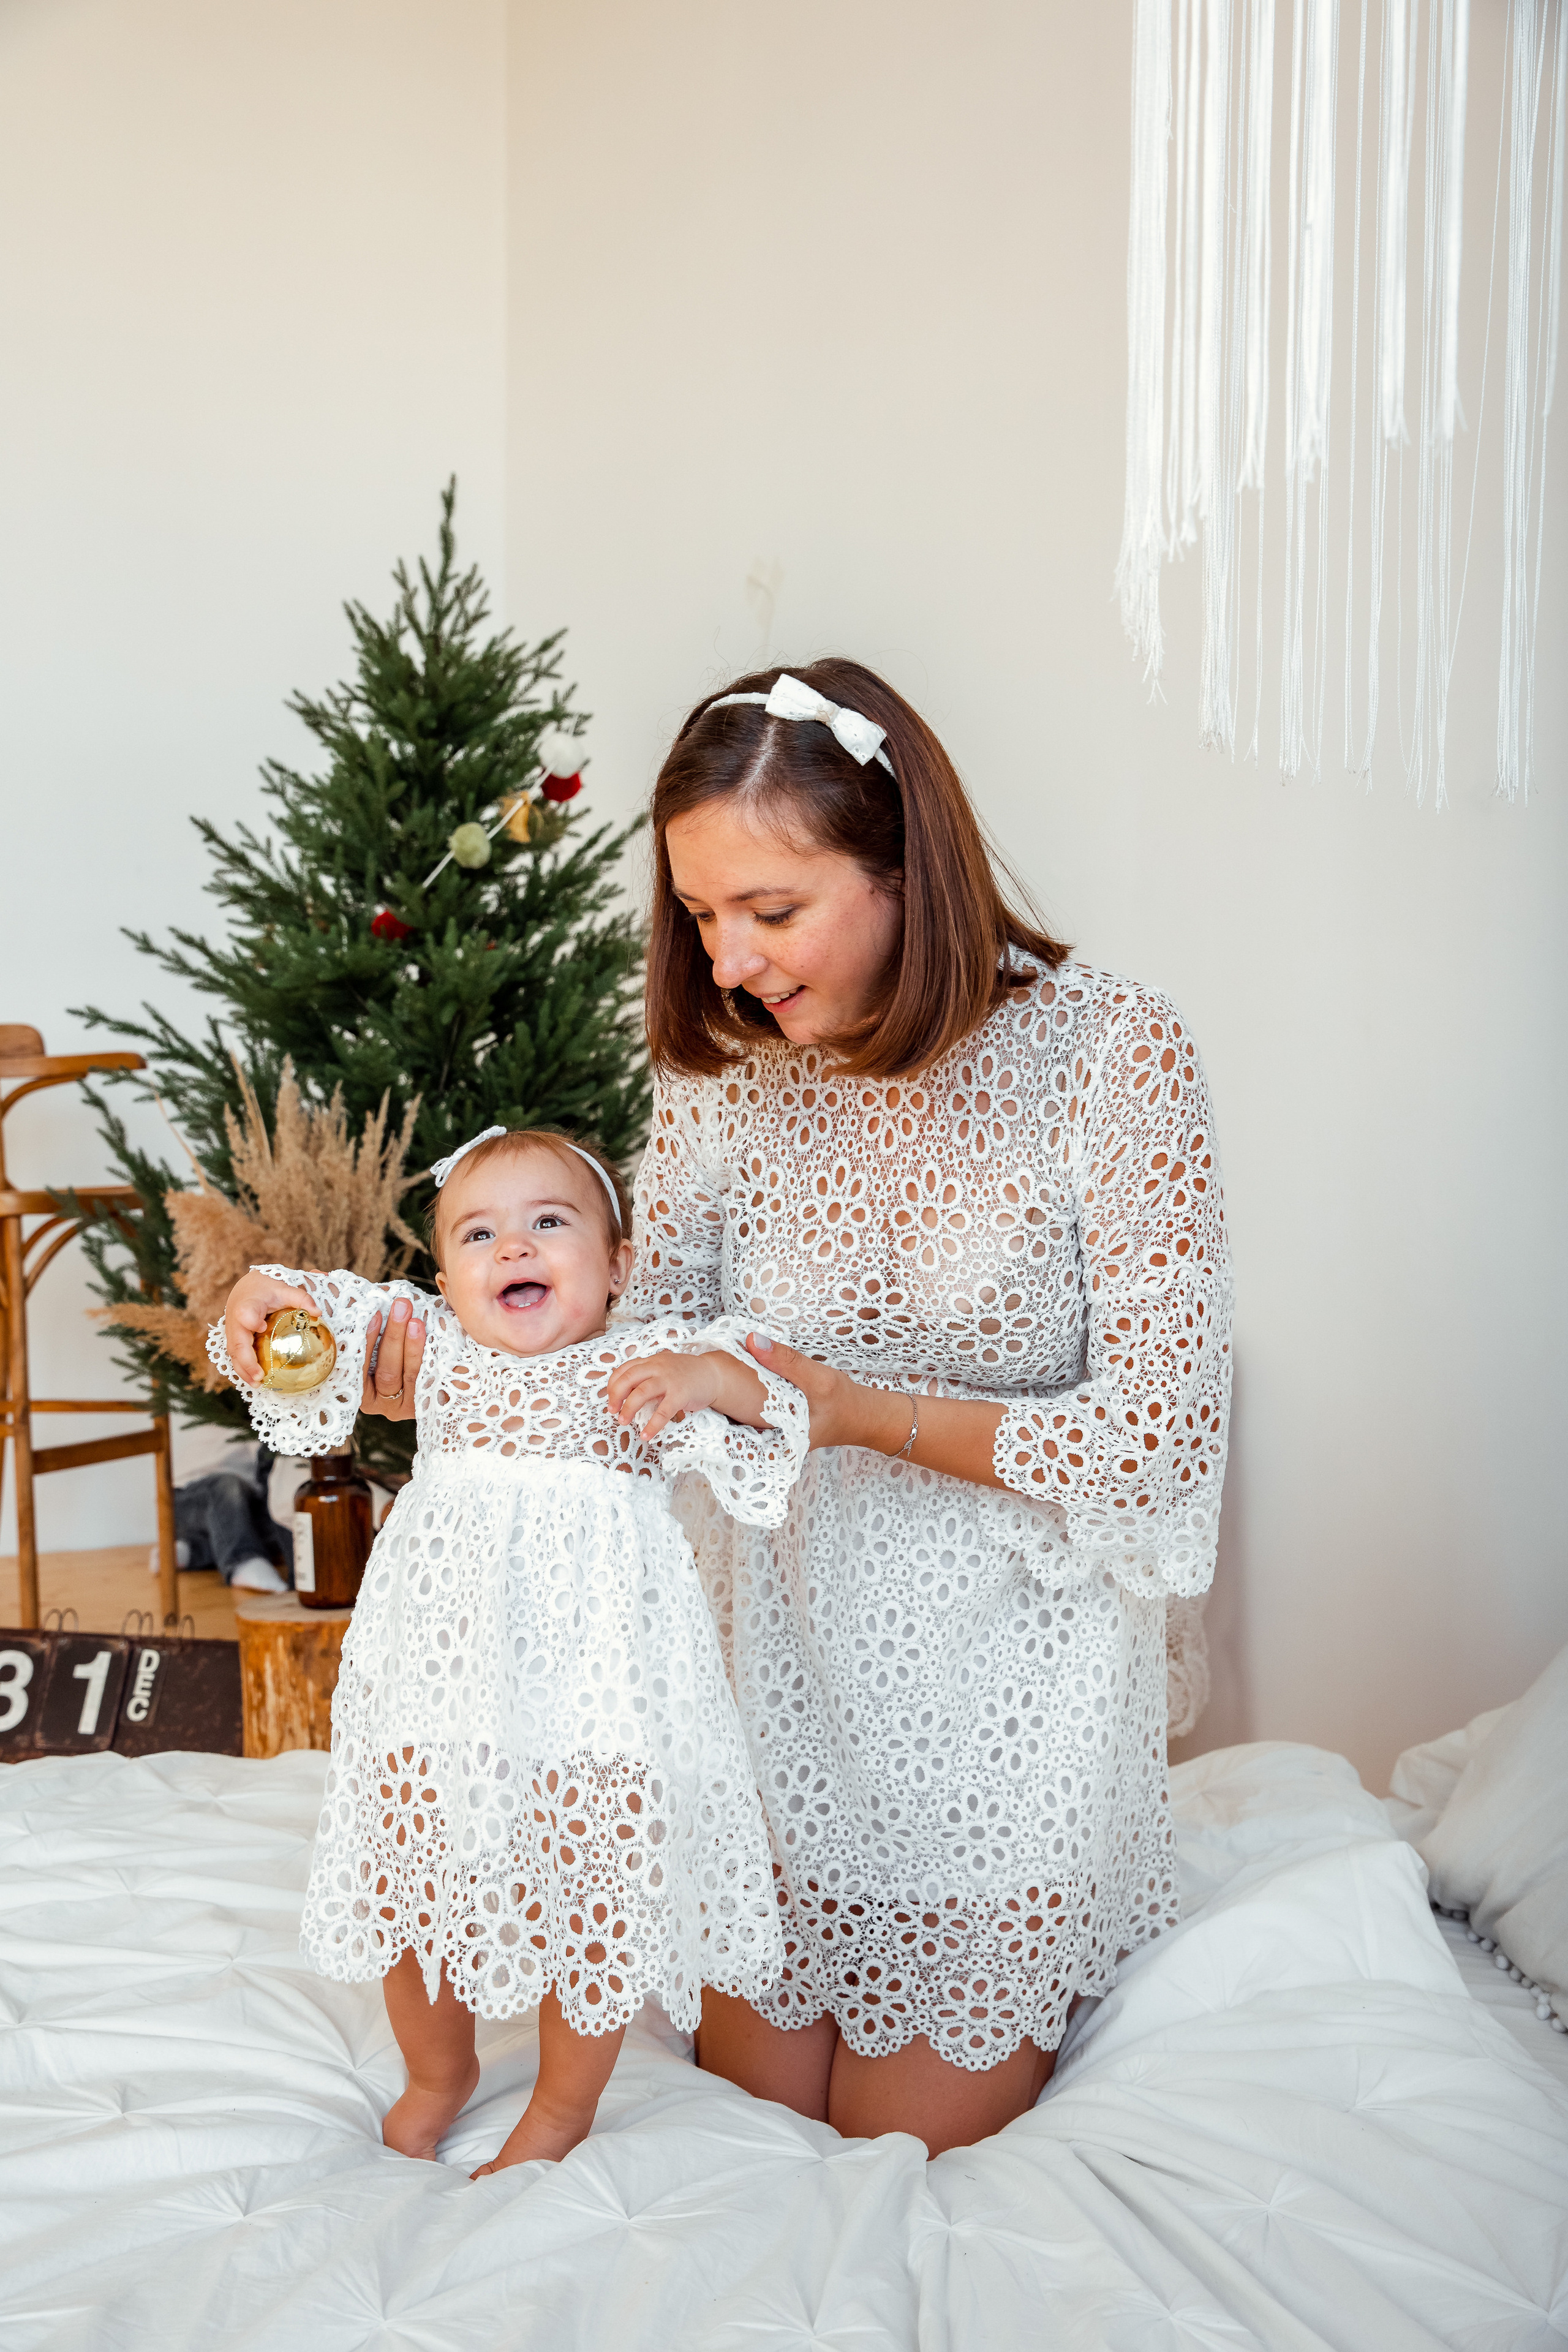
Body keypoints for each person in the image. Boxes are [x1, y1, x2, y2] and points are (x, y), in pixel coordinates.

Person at [362, 661, 1235, 2158]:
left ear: (909, 867)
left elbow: (1155, 1436)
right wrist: (379, 1334)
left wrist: (845, 1411)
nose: (727, 959)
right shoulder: (724, 1073)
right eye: (699, 915)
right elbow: (629, 1343)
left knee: (895, 2147)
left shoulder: (1111, 1049)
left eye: (770, 911)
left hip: (1004, 1699)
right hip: (767, 1668)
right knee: (751, 2134)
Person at [213, 1125, 807, 2172]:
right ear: (447, 1277)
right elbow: (309, 1312)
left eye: (549, 1224)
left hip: (596, 1690)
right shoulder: (434, 1344)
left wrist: (708, 1380)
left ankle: (563, 2110)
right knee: (408, 1877)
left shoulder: (646, 1365)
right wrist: (255, 1291)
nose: (514, 1249)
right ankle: (442, 2073)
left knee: (594, 1893)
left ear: (618, 1267)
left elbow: (785, 1404)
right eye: (480, 1234)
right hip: (440, 1676)